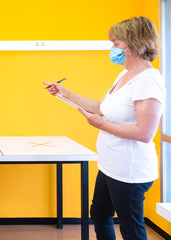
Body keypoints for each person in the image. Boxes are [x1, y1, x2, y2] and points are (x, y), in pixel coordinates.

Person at [44, 16, 165, 240]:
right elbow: (102, 108)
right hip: (110, 164)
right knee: (99, 216)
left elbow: (145, 133)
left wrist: (102, 125)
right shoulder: (124, 75)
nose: (112, 48)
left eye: (116, 44)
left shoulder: (148, 80)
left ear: (133, 44)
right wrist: (64, 92)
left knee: (132, 230)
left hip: (129, 170)